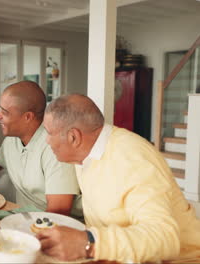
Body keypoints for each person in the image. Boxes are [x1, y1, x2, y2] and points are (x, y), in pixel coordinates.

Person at [39, 94, 200, 262]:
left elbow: (163, 237)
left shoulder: (133, 158)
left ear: (74, 137)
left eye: (49, 133)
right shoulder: (84, 155)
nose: (47, 141)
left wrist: (88, 242)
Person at [0, 81, 81, 216]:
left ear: (28, 117)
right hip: (23, 216)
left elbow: (59, 211)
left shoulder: (56, 146)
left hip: (56, 225)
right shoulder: (11, 141)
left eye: (4, 112)